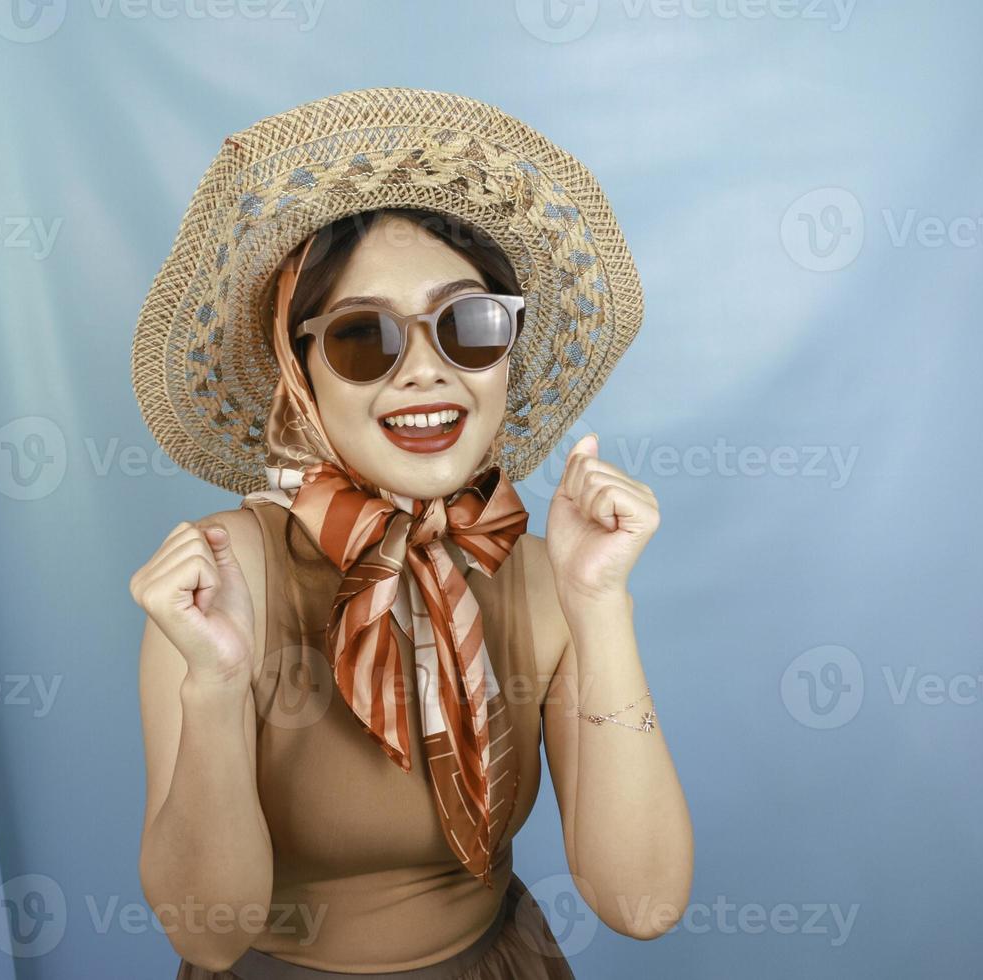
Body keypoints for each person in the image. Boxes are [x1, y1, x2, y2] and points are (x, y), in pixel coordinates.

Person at [128, 88, 693, 978]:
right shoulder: (224, 578)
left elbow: (644, 904)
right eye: (364, 338)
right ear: (299, 379)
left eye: (468, 326)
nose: (426, 370)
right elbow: (207, 934)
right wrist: (214, 684)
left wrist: (600, 604)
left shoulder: (542, 574)